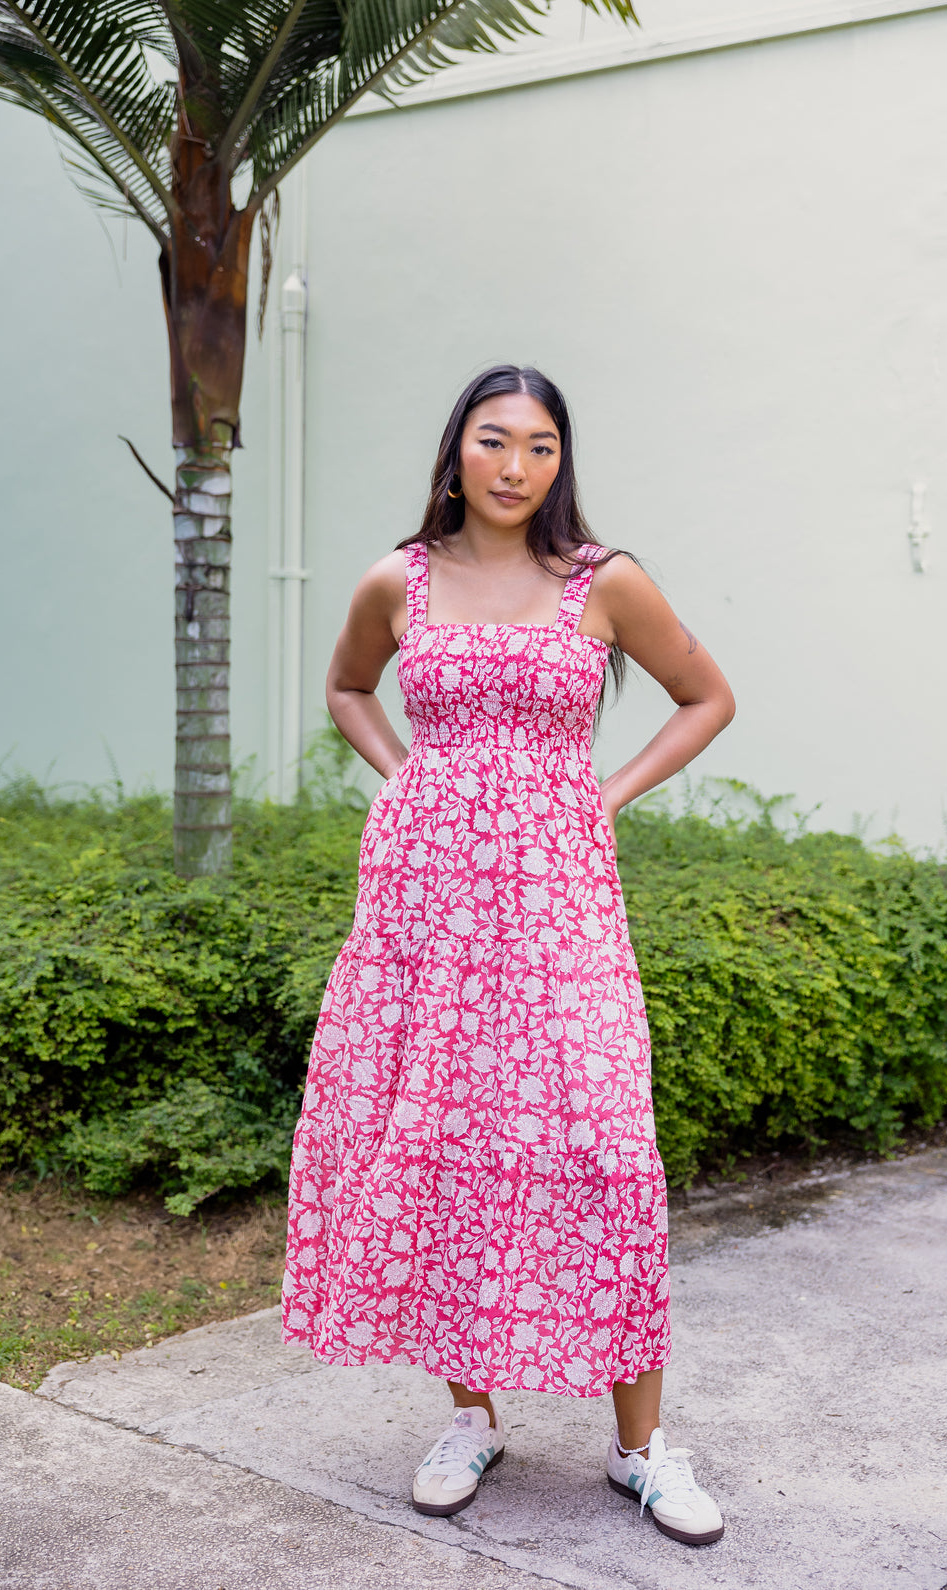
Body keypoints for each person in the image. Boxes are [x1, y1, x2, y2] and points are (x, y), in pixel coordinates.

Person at [282, 364, 736, 1546]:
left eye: (540, 447)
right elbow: (344, 689)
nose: (515, 466)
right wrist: (409, 782)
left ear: (557, 463)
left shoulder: (603, 581)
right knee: (440, 1140)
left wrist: (605, 794)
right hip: (423, 905)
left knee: (601, 1146)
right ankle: (470, 1414)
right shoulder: (399, 579)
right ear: (455, 454)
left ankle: (639, 1450)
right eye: (494, 442)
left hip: (558, 908)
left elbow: (705, 696)